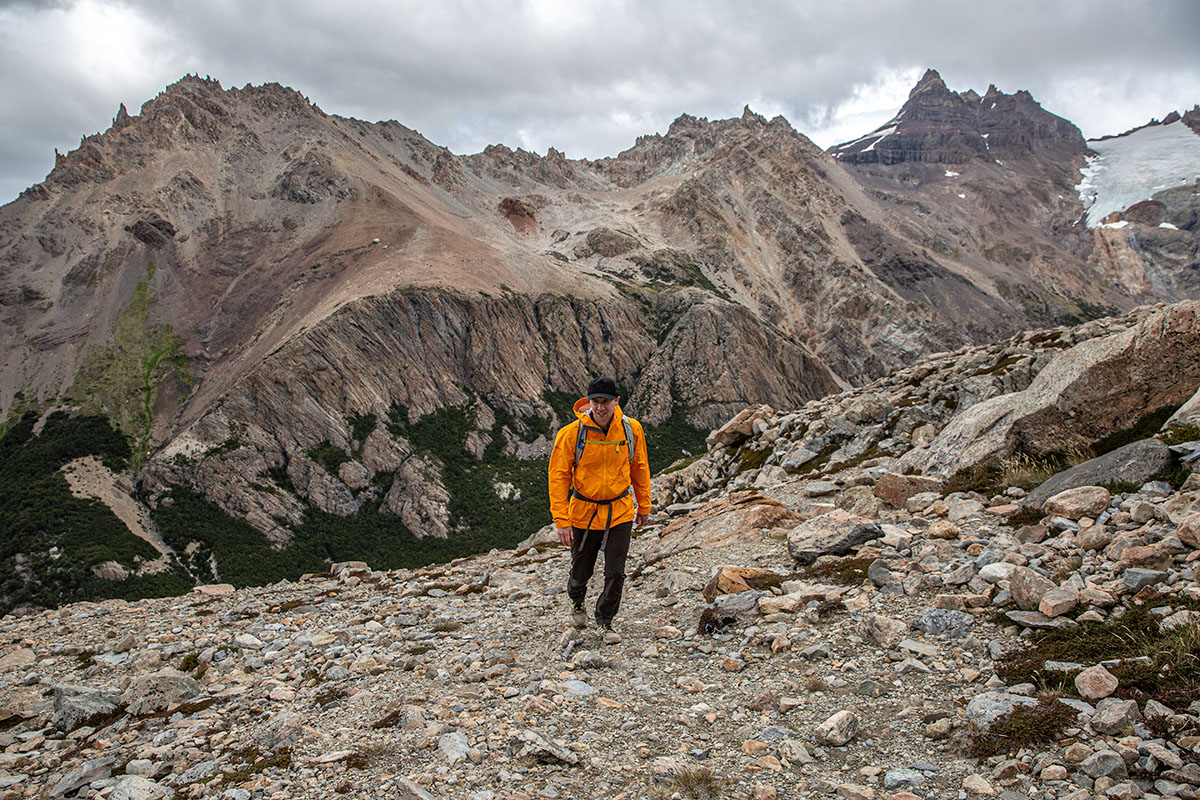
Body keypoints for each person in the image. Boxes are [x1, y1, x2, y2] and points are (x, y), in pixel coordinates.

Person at [548, 376, 651, 644]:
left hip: (620, 510)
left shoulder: (631, 430)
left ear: (617, 401)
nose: (600, 407)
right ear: (588, 402)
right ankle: (577, 600)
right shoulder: (572, 433)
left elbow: (639, 467)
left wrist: (644, 505)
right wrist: (561, 520)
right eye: (596, 401)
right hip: (583, 512)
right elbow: (558, 477)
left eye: (606, 401)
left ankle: (605, 620)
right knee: (581, 569)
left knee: (616, 571)